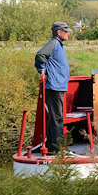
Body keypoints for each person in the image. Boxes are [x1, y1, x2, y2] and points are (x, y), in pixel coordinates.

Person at [35, 21, 72, 153]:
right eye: (66, 31)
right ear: (59, 32)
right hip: (54, 86)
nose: (68, 33)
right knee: (57, 117)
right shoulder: (54, 43)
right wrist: (43, 71)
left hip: (58, 85)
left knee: (55, 117)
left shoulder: (59, 45)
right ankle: (58, 149)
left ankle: (52, 148)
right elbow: (40, 55)